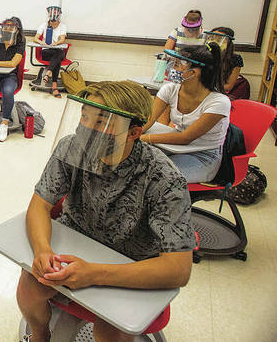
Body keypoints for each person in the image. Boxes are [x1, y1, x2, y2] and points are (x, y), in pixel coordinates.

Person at [19, 81, 195, 342]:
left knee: (111, 331)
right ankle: (40, 335)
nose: (86, 128)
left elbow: (178, 269)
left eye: (102, 121)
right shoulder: (71, 148)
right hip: (77, 241)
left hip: (131, 262)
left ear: (134, 132)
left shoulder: (164, 179)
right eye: (85, 116)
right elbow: (40, 204)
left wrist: (94, 274)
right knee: (29, 290)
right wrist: (43, 250)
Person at [141, 44, 230, 183]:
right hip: (174, 146)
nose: (171, 68)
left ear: (194, 72)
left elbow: (185, 138)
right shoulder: (170, 89)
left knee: (157, 178)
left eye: (177, 64)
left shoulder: (218, 102)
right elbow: (149, 119)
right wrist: (134, 132)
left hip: (203, 155)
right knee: (133, 164)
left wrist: (143, 138)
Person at [33, 5, 67, 98]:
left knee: (58, 55)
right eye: (52, 13)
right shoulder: (43, 25)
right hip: (46, 52)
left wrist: (55, 44)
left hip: (56, 50)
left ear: (59, 15)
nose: (53, 15)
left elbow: (62, 39)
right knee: (59, 56)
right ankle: (54, 86)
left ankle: (48, 74)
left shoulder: (62, 26)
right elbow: (35, 38)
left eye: (56, 13)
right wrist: (42, 42)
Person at [206, 27, 249, 100]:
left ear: (228, 42)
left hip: (222, 93)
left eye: (219, 39)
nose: (214, 42)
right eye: (212, 38)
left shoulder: (235, 59)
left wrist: (208, 87)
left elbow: (229, 86)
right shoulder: (204, 55)